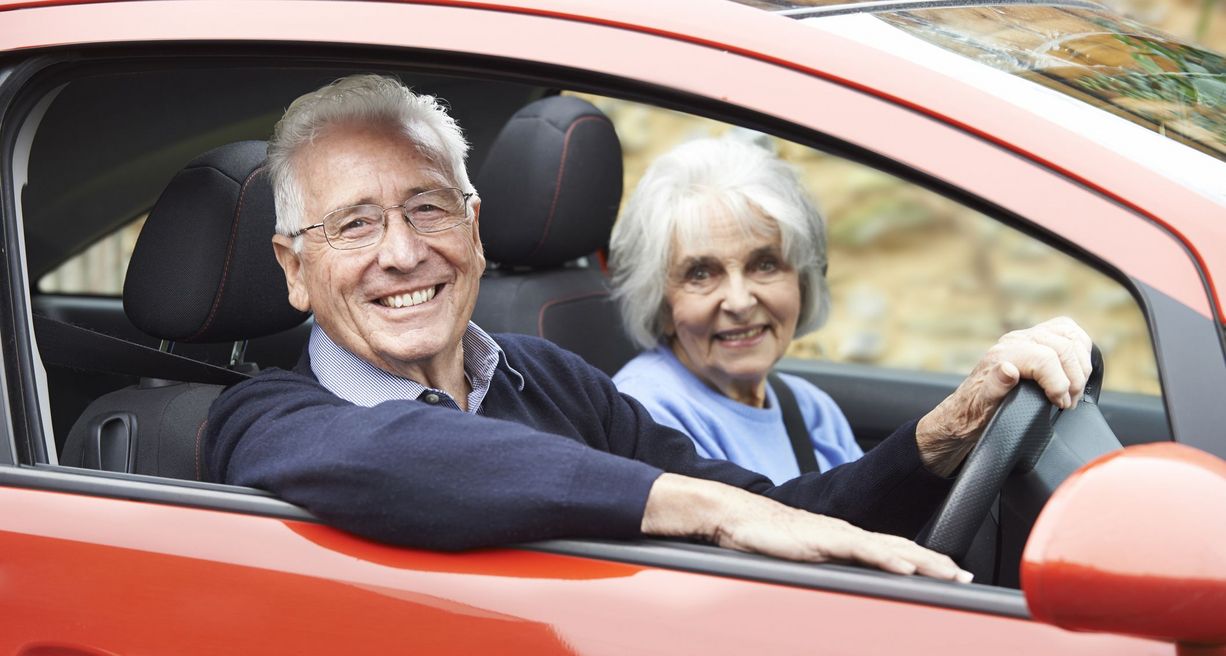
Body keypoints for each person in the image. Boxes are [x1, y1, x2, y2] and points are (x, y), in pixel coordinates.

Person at [204, 74, 1093, 583]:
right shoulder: (264, 419)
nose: (402, 252)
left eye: (429, 208)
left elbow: (780, 516)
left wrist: (948, 431)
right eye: (354, 225)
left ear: (474, 230)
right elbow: (405, 453)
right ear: (292, 269)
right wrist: (700, 512)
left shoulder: (546, 377)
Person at [611, 136, 859, 484]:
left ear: (802, 281)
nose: (740, 302)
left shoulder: (810, 407)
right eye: (700, 273)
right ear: (660, 302)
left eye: (765, 265)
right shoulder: (645, 416)